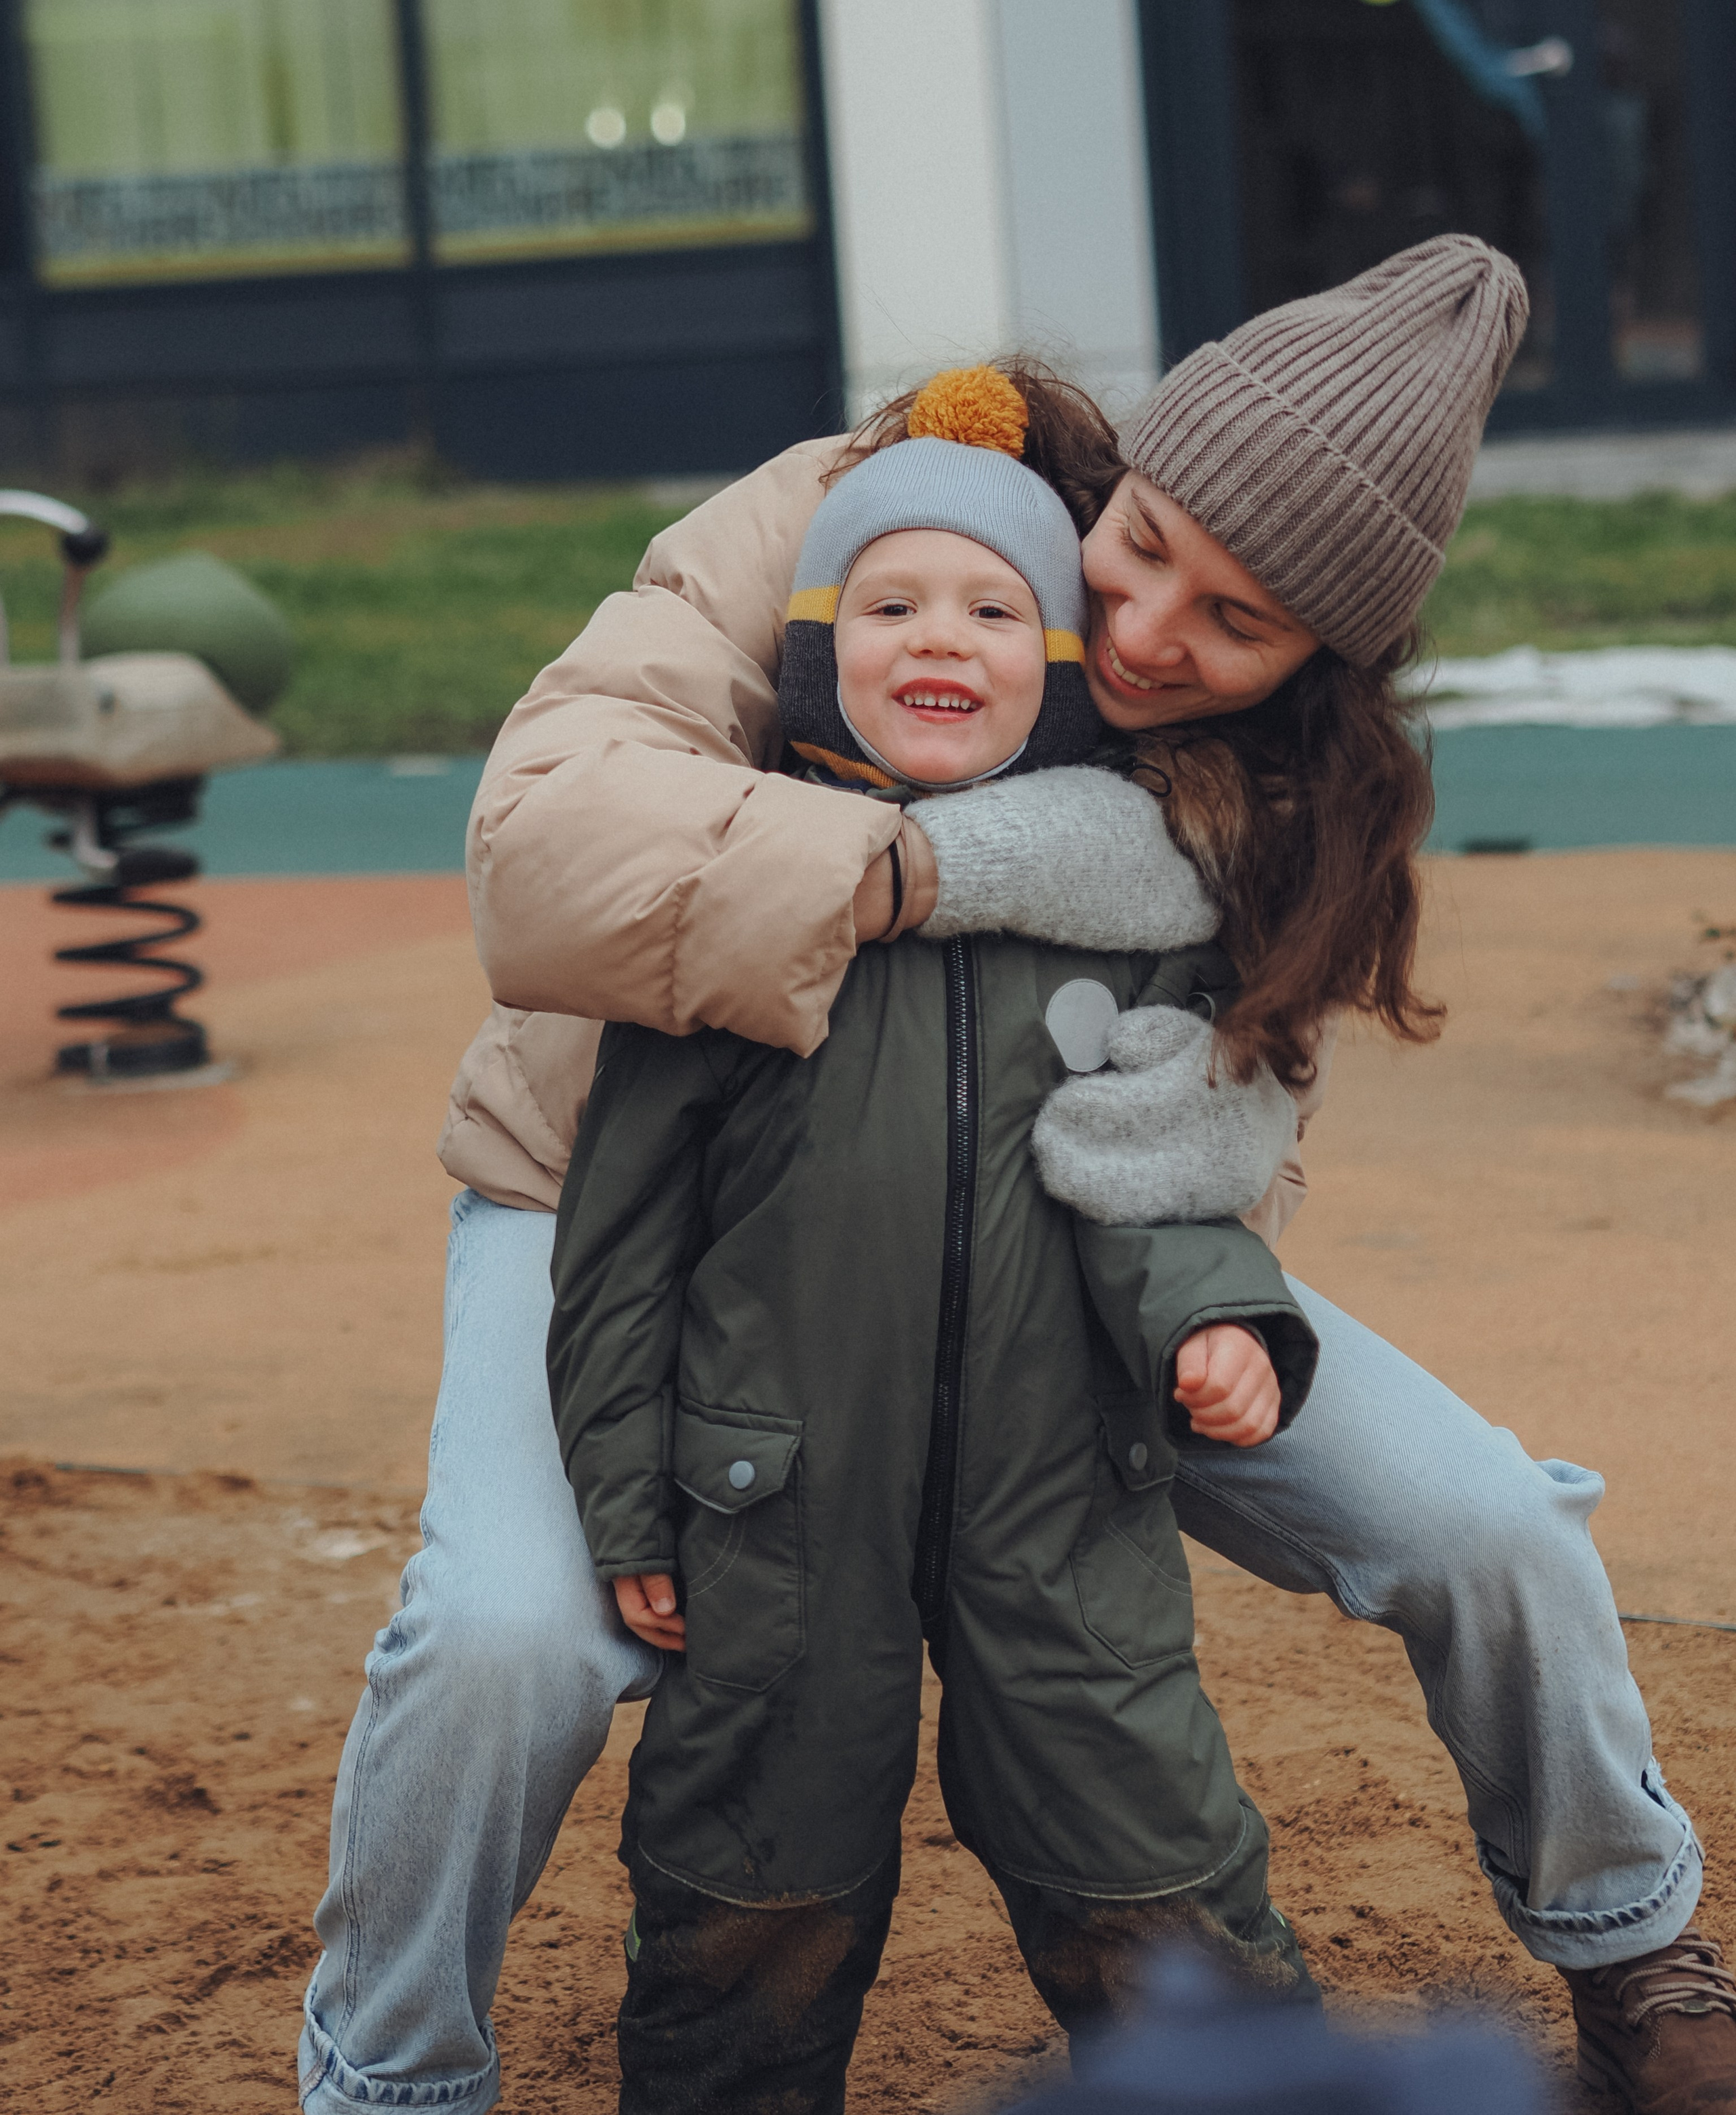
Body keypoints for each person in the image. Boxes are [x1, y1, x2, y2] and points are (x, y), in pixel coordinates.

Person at [299, 239, 1736, 2115]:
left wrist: (1207, 1220)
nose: (1145, 633)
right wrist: (925, 865)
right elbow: (545, 854)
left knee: (1490, 1523)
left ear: (1314, 665)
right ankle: (390, 2077)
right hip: (617, 1203)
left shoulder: (1289, 780)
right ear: (1124, 472)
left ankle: (1637, 1951)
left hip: (1055, 1258)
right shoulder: (863, 519)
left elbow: (1221, 1117)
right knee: (504, 1636)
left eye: (1236, 623)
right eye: (1142, 547)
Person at [547, 374, 1321, 2111]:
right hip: (771, 1493)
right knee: (752, 1869)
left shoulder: (1120, 924)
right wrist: (624, 1497)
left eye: (990, 609)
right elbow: (620, 1247)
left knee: (1144, 1846)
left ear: (1058, 663)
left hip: (1061, 1487)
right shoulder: (749, 908)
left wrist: (1218, 1321)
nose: (938, 640)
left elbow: (1150, 1182)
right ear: (815, 649)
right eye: (887, 604)